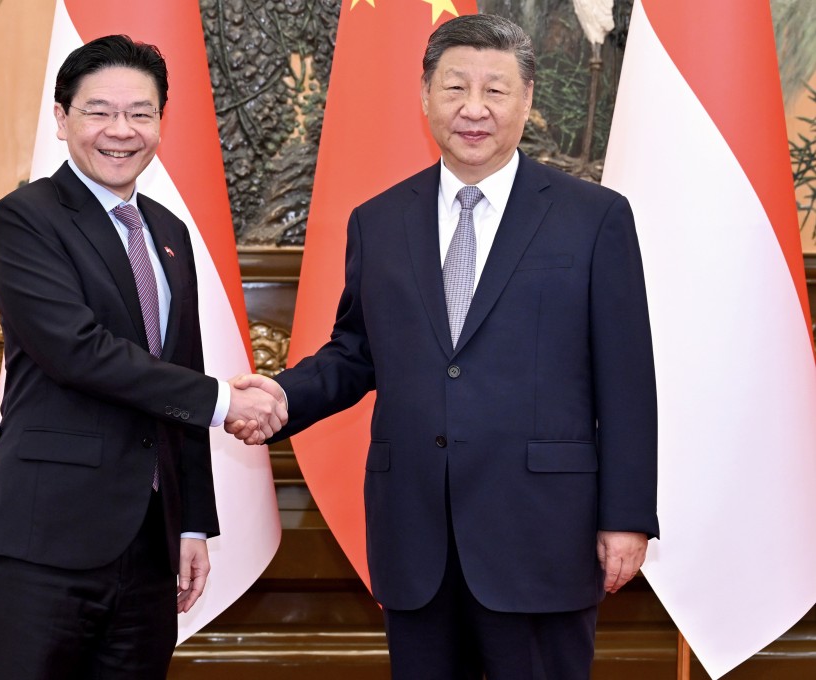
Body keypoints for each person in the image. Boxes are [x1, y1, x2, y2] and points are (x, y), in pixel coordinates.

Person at [231, 13, 658, 680]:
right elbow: (357, 352)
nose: (474, 109)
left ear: (527, 101)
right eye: (456, 88)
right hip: (417, 535)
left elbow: (627, 380)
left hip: (541, 532)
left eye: (495, 90)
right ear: (425, 96)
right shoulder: (379, 220)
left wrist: (627, 518)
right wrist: (284, 394)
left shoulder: (593, 217)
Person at [0, 35, 285, 679]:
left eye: (141, 113)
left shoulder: (167, 231)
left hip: (150, 544)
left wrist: (191, 527)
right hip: (43, 537)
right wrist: (225, 400)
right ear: (62, 117)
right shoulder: (27, 218)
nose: (120, 131)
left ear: (161, 121)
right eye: (99, 111)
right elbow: (76, 352)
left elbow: (179, 374)